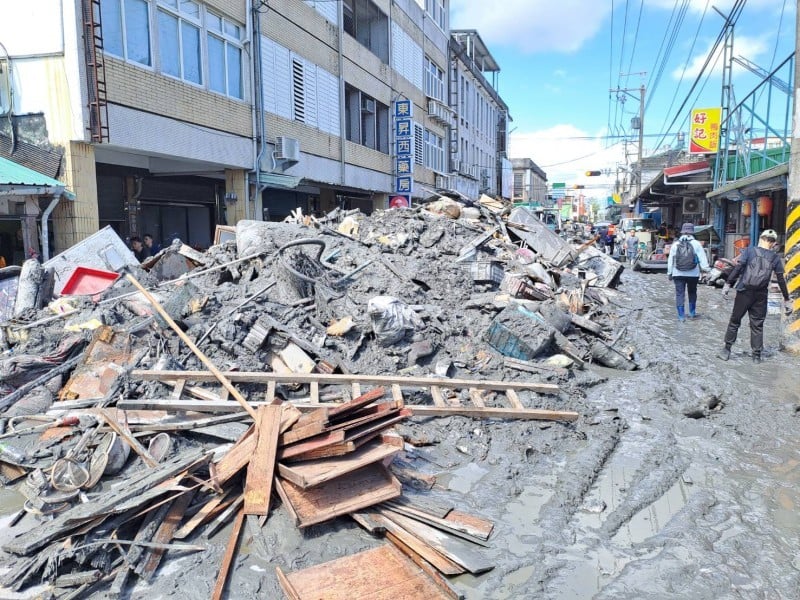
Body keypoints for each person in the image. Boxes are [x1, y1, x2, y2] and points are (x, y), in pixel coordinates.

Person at [717, 229, 792, 363]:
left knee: (735, 321)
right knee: (757, 325)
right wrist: (786, 299)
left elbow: (738, 268)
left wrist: (728, 284)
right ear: (773, 243)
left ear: (761, 239)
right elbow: (781, 279)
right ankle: (756, 356)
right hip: (761, 295)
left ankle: (726, 351)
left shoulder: (749, 251)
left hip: (744, 291)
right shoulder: (774, 257)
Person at [667, 222, 710, 321]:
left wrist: (669, 273)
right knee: (692, 292)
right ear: (692, 232)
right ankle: (692, 313)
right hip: (693, 274)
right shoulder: (697, 244)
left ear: (682, 232)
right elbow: (703, 259)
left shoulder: (675, 244)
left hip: (677, 273)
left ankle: (681, 316)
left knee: (679, 294)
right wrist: (707, 270)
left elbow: (671, 260)